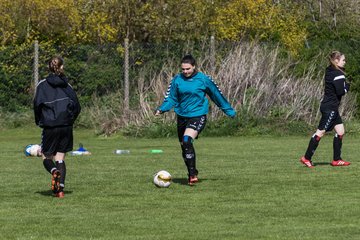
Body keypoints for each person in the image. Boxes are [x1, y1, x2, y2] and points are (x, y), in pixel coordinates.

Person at [155, 54, 236, 185]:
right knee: (184, 147)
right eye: (183, 69)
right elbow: (171, 98)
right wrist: (162, 109)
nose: (185, 72)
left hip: (198, 115)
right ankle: (191, 172)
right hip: (182, 116)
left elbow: (216, 94)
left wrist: (228, 110)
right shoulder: (177, 80)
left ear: (194, 66)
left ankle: (192, 175)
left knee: (187, 140)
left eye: (188, 69)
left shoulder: (203, 79)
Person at [34, 56, 81, 197]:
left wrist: (39, 121)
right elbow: (77, 106)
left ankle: (54, 171)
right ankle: (59, 191)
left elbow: (37, 105)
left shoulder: (42, 85)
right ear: (61, 67)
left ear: (49, 67)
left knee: (46, 156)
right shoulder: (67, 86)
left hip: (50, 126)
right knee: (60, 157)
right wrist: (70, 120)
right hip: (66, 125)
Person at [300, 51, 350, 168]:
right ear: (336, 61)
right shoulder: (338, 73)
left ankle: (336, 160)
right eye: (343, 60)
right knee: (320, 132)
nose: (345, 62)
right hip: (330, 108)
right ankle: (306, 158)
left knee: (340, 131)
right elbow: (340, 92)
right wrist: (347, 86)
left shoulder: (329, 70)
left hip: (330, 107)